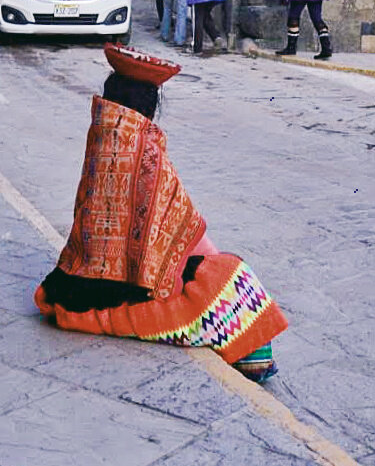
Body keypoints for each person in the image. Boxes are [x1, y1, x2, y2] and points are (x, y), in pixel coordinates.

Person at [34, 45, 286, 382]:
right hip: (120, 292)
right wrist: (214, 265)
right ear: (150, 105)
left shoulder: (101, 137)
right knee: (231, 277)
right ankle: (253, 360)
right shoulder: (145, 150)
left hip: (70, 286)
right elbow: (189, 230)